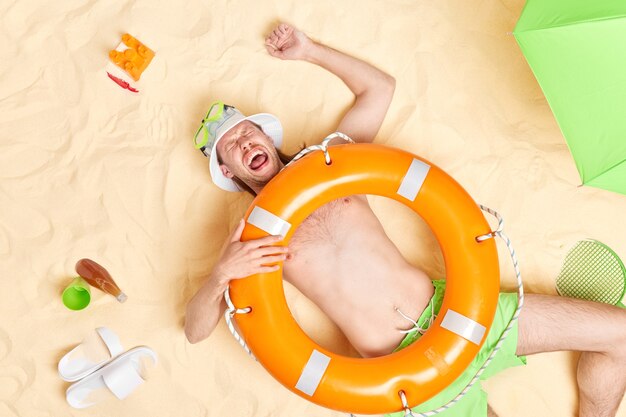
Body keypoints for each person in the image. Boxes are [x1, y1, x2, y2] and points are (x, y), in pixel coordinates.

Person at [185, 22, 626, 417]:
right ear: (229, 172)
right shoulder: (250, 235)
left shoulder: (334, 162)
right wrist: (220, 275)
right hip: (404, 376)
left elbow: (379, 88)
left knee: (620, 334)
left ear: (266, 134)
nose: (245, 144)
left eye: (247, 132)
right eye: (232, 147)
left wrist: (309, 51)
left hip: (463, 310)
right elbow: (194, 331)